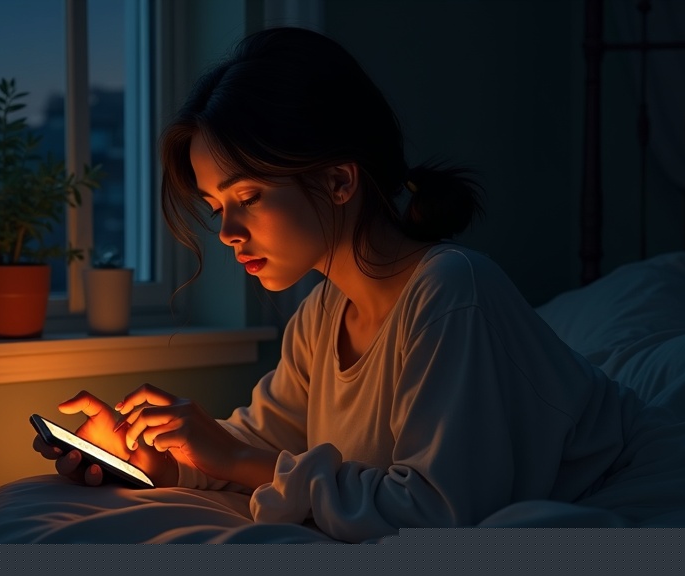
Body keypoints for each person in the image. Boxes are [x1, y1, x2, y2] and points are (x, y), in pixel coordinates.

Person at [33, 26, 646, 542]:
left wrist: (233, 457)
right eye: (216, 203)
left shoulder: (450, 289)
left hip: (633, 463)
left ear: (338, 182)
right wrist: (159, 458)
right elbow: (266, 443)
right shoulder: (323, 312)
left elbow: (438, 511)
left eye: (247, 196)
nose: (226, 231)